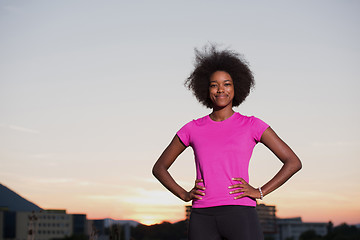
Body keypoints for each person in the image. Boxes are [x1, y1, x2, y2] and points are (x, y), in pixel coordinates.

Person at [152, 44, 302, 240]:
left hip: (241, 214)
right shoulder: (192, 129)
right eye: (214, 84)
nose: (220, 89)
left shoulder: (252, 125)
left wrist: (260, 191)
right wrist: (184, 194)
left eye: (227, 84)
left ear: (236, 87)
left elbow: (293, 162)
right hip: (202, 216)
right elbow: (159, 168)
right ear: (206, 90)